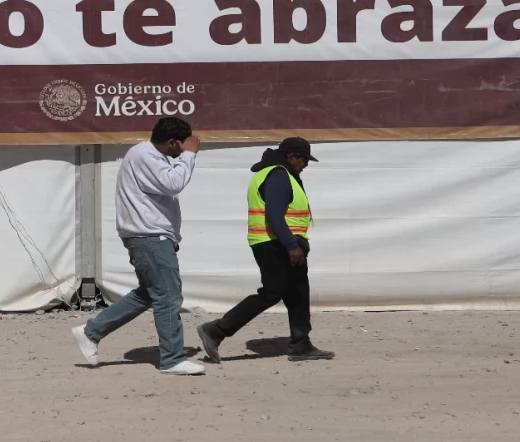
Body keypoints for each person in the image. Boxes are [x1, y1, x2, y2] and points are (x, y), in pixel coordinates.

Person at [72, 117, 206, 375]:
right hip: (149, 236)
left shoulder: (147, 155)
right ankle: (172, 359)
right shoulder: (145, 155)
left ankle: (91, 332)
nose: (183, 151)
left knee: (149, 293)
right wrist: (189, 155)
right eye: (182, 145)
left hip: (151, 236)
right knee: (168, 296)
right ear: (172, 142)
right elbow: (173, 184)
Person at [196, 137, 334, 363]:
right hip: (275, 243)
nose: (306, 164)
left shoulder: (274, 173)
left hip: (277, 241)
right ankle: (216, 330)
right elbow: (274, 215)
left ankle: (301, 344)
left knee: (298, 292)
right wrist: (291, 245)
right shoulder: (278, 174)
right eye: (304, 159)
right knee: (272, 291)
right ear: (292, 156)